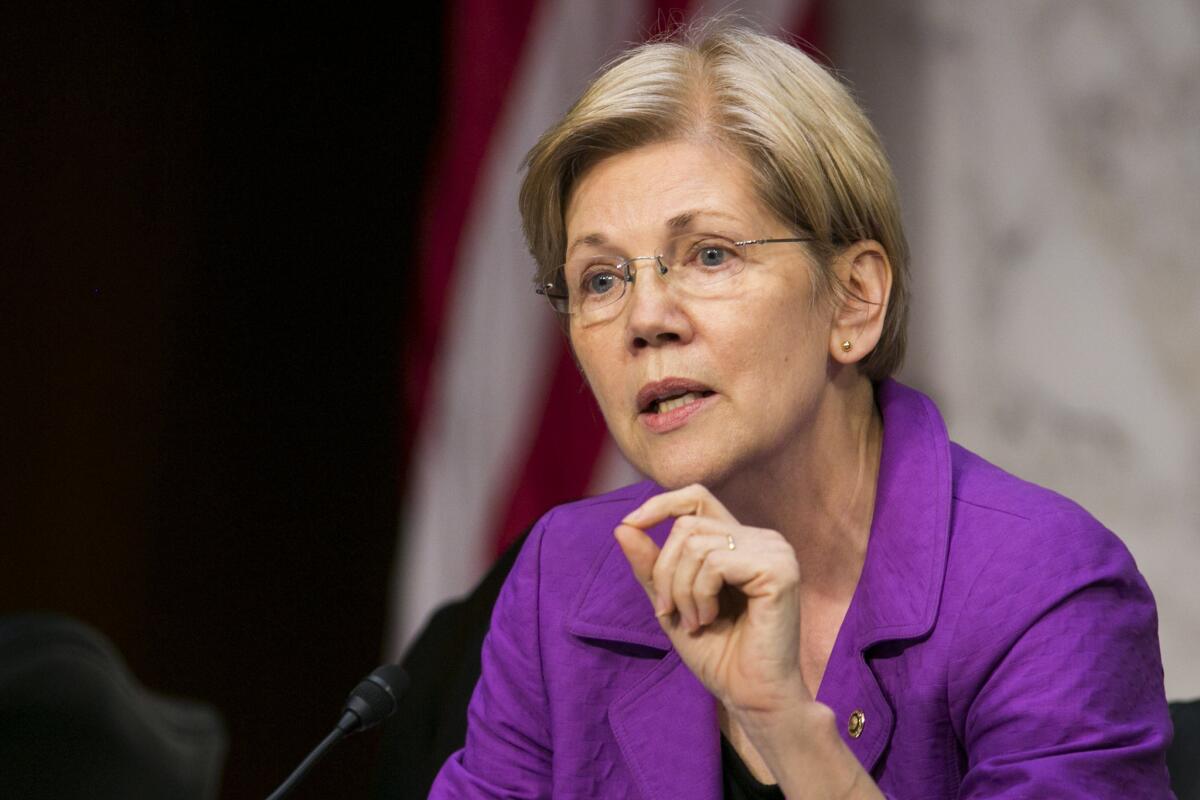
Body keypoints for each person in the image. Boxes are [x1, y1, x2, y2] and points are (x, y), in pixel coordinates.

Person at [428, 21, 1173, 799]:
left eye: (710, 255)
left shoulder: (1039, 585)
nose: (646, 318)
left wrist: (783, 721)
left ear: (854, 302)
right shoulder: (569, 575)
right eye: (601, 279)